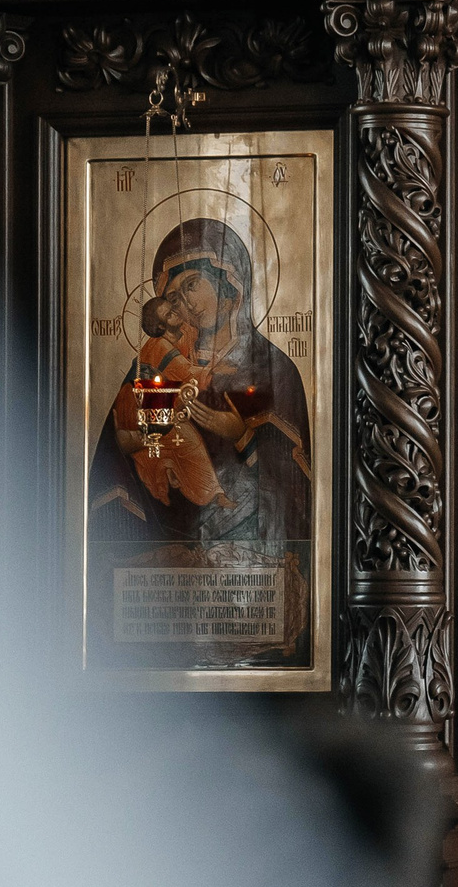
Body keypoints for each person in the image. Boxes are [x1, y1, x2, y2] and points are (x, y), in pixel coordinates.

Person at [89, 218, 315, 664]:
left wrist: (242, 438)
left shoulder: (274, 370)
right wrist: (144, 443)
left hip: (252, 566)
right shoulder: (151, 367)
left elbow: (299, 491)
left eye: (192, 285)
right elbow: (117, 467)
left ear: (229, 280)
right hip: (164, 562)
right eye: (173, 298)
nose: (184, 304)